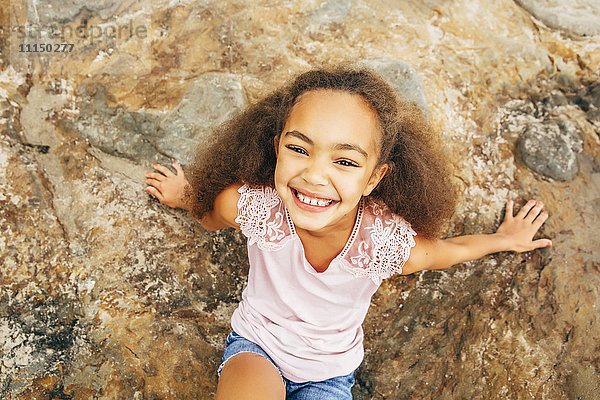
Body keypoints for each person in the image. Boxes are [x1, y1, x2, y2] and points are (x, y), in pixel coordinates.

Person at [144, 65, 551, 400]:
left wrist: (504, 240)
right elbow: (211, 215)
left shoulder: (386, 245)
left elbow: (448, 250)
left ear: (375, 178)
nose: (314, 175)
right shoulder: (250, 206)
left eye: (345, 161)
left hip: (329, 374)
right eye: (299, 149)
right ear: (276, 148)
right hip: (257, 347)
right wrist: (186, 196)